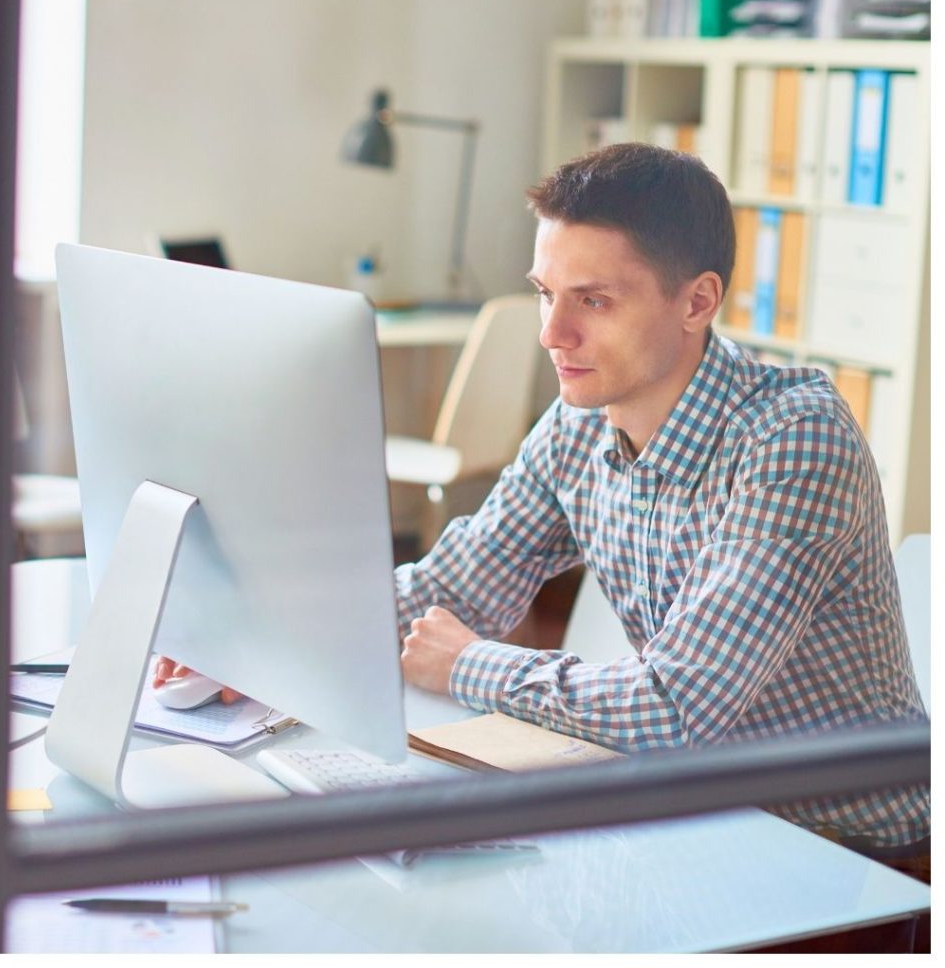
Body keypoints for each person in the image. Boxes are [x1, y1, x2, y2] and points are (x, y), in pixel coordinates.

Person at [394, 142, 929, 858]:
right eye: (546, 293)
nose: (553, 334)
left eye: (594, 300)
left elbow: (676, 708)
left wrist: (467, 664)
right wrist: (258, 643)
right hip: (699, 807)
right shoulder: (580, 420)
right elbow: (450, 590)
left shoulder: (794, 440)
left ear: (697, 301)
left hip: (847, 849)